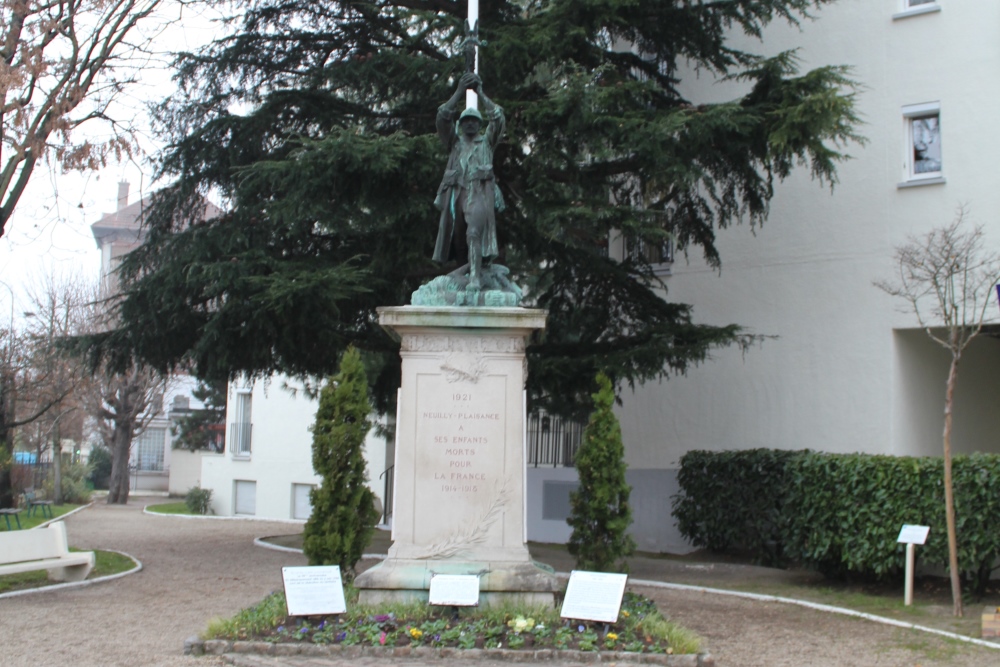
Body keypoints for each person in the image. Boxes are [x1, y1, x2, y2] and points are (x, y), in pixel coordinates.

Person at [432, 71, 506, 291]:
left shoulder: (486, 143)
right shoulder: (454, 143)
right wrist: (459, 92)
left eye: (475, 121)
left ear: (479, 124)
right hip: (456, 194)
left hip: (479, 191)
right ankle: (468, 273)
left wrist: (480, 93)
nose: (471, 124)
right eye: (466, 121)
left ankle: (474, 278)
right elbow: (442, 116)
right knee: (457, 240)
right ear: (461, 124)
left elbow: (498, 117)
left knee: (474, 232)